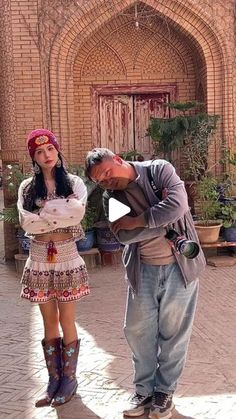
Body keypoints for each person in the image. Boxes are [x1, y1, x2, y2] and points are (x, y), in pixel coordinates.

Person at [85, 148, 206, 419]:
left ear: (117, 159)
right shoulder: (111, 197)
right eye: (99, 180)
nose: (106, 181)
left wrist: (138, 220)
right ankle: (143, 391)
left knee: (174, 334)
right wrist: (162, 220)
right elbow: (122, 235)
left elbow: (178, 206)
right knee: (138, 332)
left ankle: (164, 392)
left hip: (180, 269)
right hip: (143, 271)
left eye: (106, 172)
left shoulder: (158, 170)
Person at [17, 129, 90, 408]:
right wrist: (57, 213)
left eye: (49, 149)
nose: (46, 155)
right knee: (48, 321)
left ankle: (69, 380)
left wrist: (44, 216)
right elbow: (27, 223)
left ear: (57, 151)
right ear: (33, 157)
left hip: (67, 256)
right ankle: (53, 380)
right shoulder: (27, 187)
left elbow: (76, 213)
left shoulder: (73, 183)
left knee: (66, 319)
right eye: (39, 151)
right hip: (38, 257)